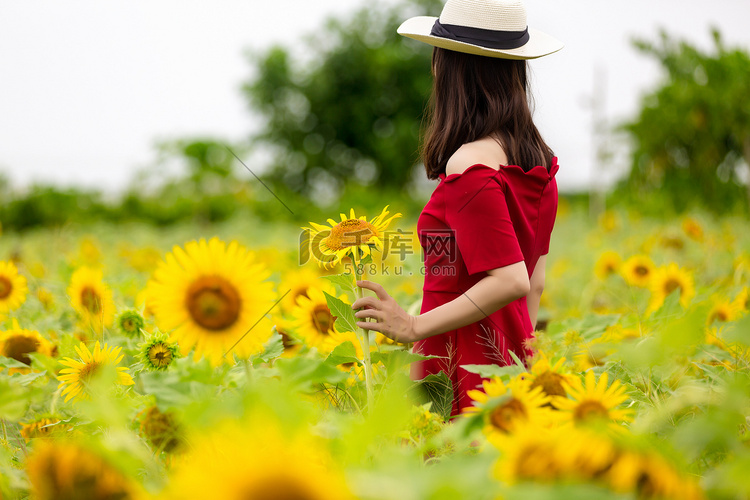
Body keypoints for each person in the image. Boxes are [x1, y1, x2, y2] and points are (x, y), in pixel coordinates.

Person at [351, 0, 563, 416]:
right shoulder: (539, 162)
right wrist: (517, 362)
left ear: (451, 68)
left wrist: (413, 328)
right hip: (506, 366)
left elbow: (511, 280)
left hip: (459, 364)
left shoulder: (470, 163)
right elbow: (534, 284)